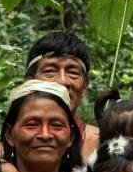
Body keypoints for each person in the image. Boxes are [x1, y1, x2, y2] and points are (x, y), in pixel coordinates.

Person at [26, 31, 99, 159]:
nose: (62, 81)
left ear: (84, 87)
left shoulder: (103, 144)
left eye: (72, 72)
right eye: (50, 71)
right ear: (29, 82)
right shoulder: (4, 151)